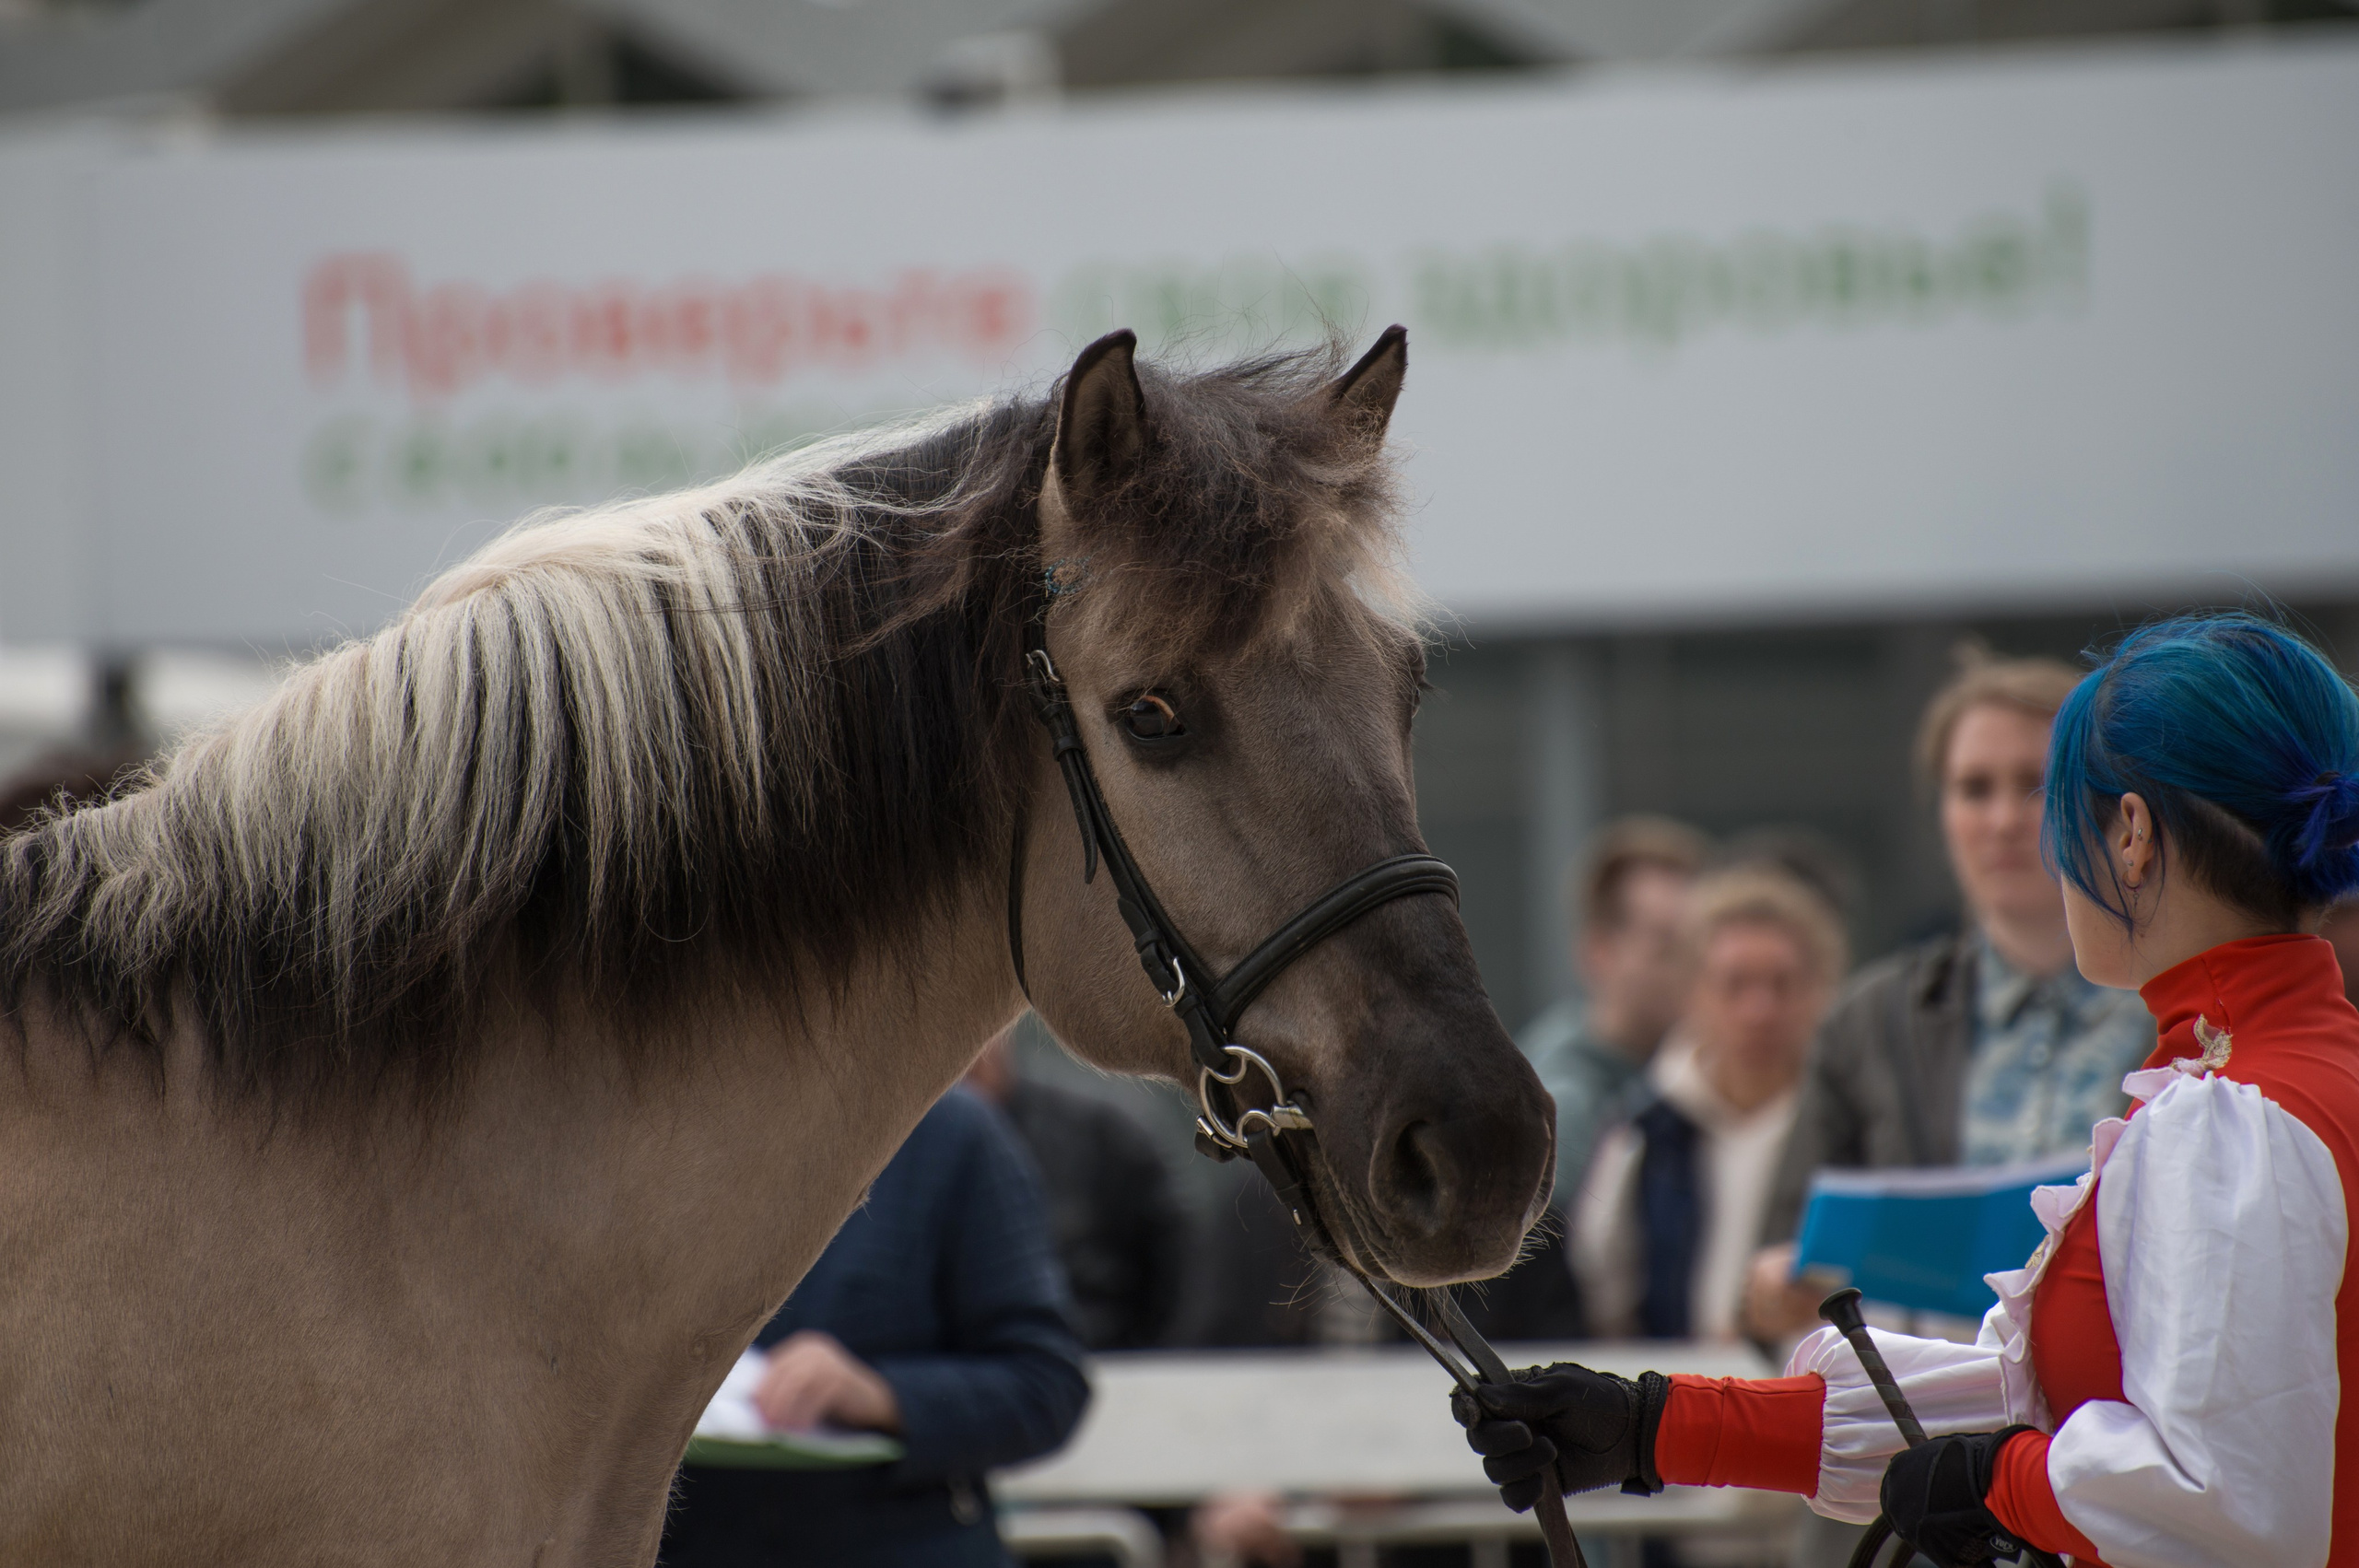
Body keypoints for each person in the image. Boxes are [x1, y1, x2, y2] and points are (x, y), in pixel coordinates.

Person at [1454, 613, 2359, 1568]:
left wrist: (1999, 1480)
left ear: (2130, 833)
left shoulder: (2234, 1115)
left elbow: (2223, 1503)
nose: (2045, 853)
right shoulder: (2269, 1074)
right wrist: (1652, 1426)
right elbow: (2032, 1406)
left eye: (2053, 809)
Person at [1745, 648, 2154, 1342]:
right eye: (1973, 788)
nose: (2001, 819)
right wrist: (1775, 1290)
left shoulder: (2190, 1011)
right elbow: (1769, 1271)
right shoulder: (1867, 1021)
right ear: (1940, 813)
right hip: (1935, 1420)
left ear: (2112, 810)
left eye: (2033, 785)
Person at [663, 1086, 1091, 1568]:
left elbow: (1047, 1384)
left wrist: (882, 1396)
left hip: (900, 1543)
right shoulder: (652, 1131)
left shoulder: (950, 1134)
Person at [1575, 866, 1846, 1343]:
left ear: (1821, 991)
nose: (1759, 1011)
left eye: (1782, 984)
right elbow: (1602, 1291)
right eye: (1735, 984)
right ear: (1694, 992)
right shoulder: (1643, 1133)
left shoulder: (1852, 1133)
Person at [1520, 816, 1712, 1210]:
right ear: (1599, 951)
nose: (1694, 970)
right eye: (1667, 948)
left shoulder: (1692, 1072)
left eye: (1702, 947)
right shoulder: (1563, 1108)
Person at [963, 1024, 1189, 1352]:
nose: (971, 1057)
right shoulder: (901, 1153)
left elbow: (1176, 1272)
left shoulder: (1105, 1134)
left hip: (1103, 1361)